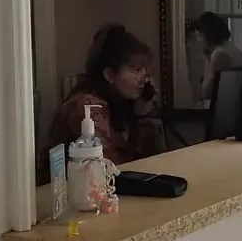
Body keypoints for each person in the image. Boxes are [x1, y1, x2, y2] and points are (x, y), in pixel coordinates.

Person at [46, 25, 164, 167]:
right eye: (136, 70)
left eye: (145, 71)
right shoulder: (88, 107)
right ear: (109, 75)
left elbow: (150, 161)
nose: (144, 79)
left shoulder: (122, 102)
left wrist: (142, 115)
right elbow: (111, 168)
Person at [193, 11, 242, 100]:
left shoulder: (220, 56)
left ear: (208, 35)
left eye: (199, 35)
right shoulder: (229, 48)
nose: (198, 40)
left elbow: (207, 92)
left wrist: (207, 59)